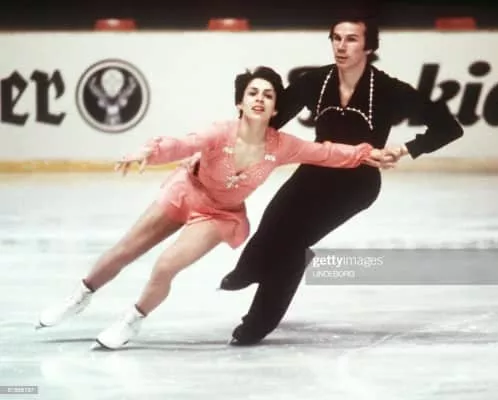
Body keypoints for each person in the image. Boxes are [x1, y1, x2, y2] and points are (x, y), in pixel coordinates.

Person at [36, 66, 394, 350]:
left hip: (219, 215)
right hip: (185, 192)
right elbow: (181, 144)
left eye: (268, 95)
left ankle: (131, 320)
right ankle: (80, 296)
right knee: (125, 250)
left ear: (275, 109)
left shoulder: (282, 144)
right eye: (253, 93)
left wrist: (367, 153)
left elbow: (327, 152)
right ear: (240, 102)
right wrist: (148, 151)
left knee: (166, 265)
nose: (260, 99)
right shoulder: (220, 133)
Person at [220, 12, 464, 346]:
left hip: (357, 183)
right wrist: (239, 137)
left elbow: (448, 127)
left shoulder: (388, 90)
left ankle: (256, 323)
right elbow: (270, 121)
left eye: (351, 39)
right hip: (315, 170)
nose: (341, 46)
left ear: (369, 47)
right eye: (336, 38)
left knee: (292, 243)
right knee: (275, 217)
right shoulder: (316, 81)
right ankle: (250, 267)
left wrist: (405, 149)